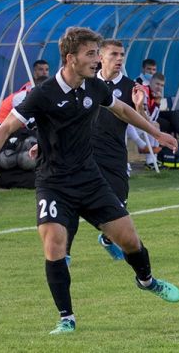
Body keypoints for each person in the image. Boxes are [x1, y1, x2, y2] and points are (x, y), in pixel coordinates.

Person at [0, 27, 179, 335]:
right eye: (91, 54)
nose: (97, 60)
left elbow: (121, 109)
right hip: (54, 183)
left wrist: (155, 131)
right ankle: (66, 317)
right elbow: (4, 128)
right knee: (54, 245)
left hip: (90, 179)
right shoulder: (43, 94)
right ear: (71, 59)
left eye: (98, 53)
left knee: (130, 241)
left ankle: (147, 281)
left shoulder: (94, 87)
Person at [65, 39, 143, 262]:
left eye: (122, 55)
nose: (119, 59)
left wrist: (139, 106)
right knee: (72, 204)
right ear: (101, 57)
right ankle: (65, 254)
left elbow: (144, 125)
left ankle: (108, 239)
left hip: (115, 156)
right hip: (84, 154)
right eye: (114, 54)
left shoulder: (130, 87)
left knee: (118, 207)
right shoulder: (85, 82)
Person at [0, 60, 50, 124]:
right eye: (41, 69)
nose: (45, 72)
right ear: (34, 72)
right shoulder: (28, 90)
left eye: (47, 70)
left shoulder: (42, 87)